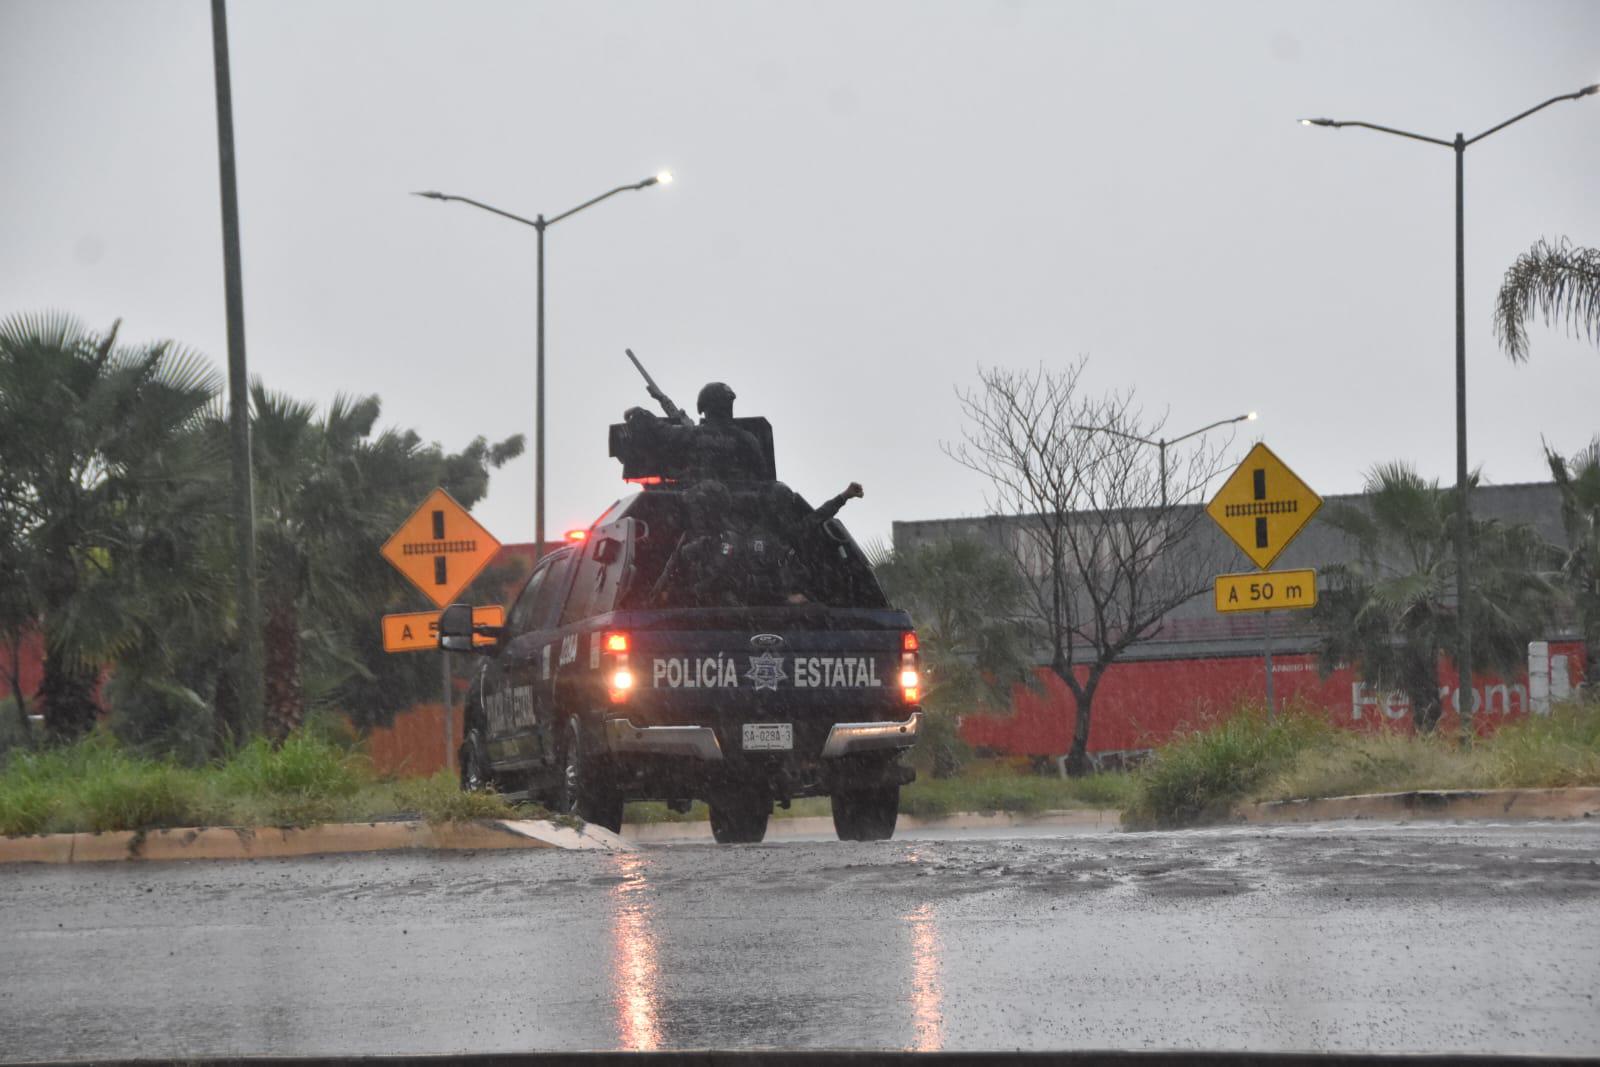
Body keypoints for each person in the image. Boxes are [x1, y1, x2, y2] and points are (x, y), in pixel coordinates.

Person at [622, 381, 768, 482]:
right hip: (742, 510)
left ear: (704, 407)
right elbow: (762, 475)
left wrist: (641, 414)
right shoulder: (749, 439)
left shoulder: (694, 436)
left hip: (703, 507)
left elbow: (662, 433)